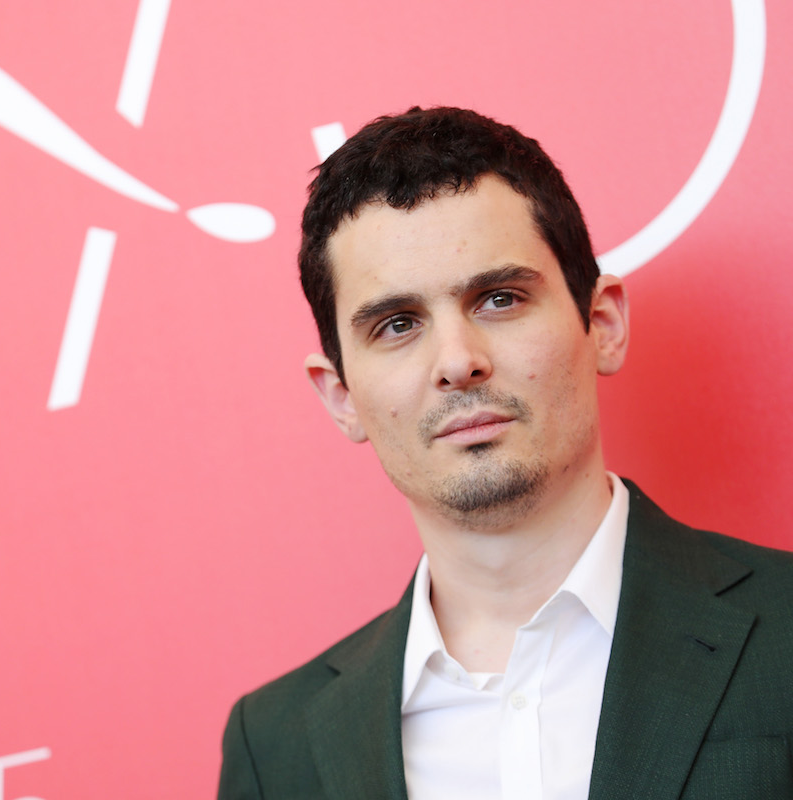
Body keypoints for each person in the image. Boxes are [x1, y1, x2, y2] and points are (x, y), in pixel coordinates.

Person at [217, 107, 793, 800]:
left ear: (602, 323)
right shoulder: (274, 744)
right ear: (341, 395)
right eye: (397, 325)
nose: (458, 362)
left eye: (499, 299)